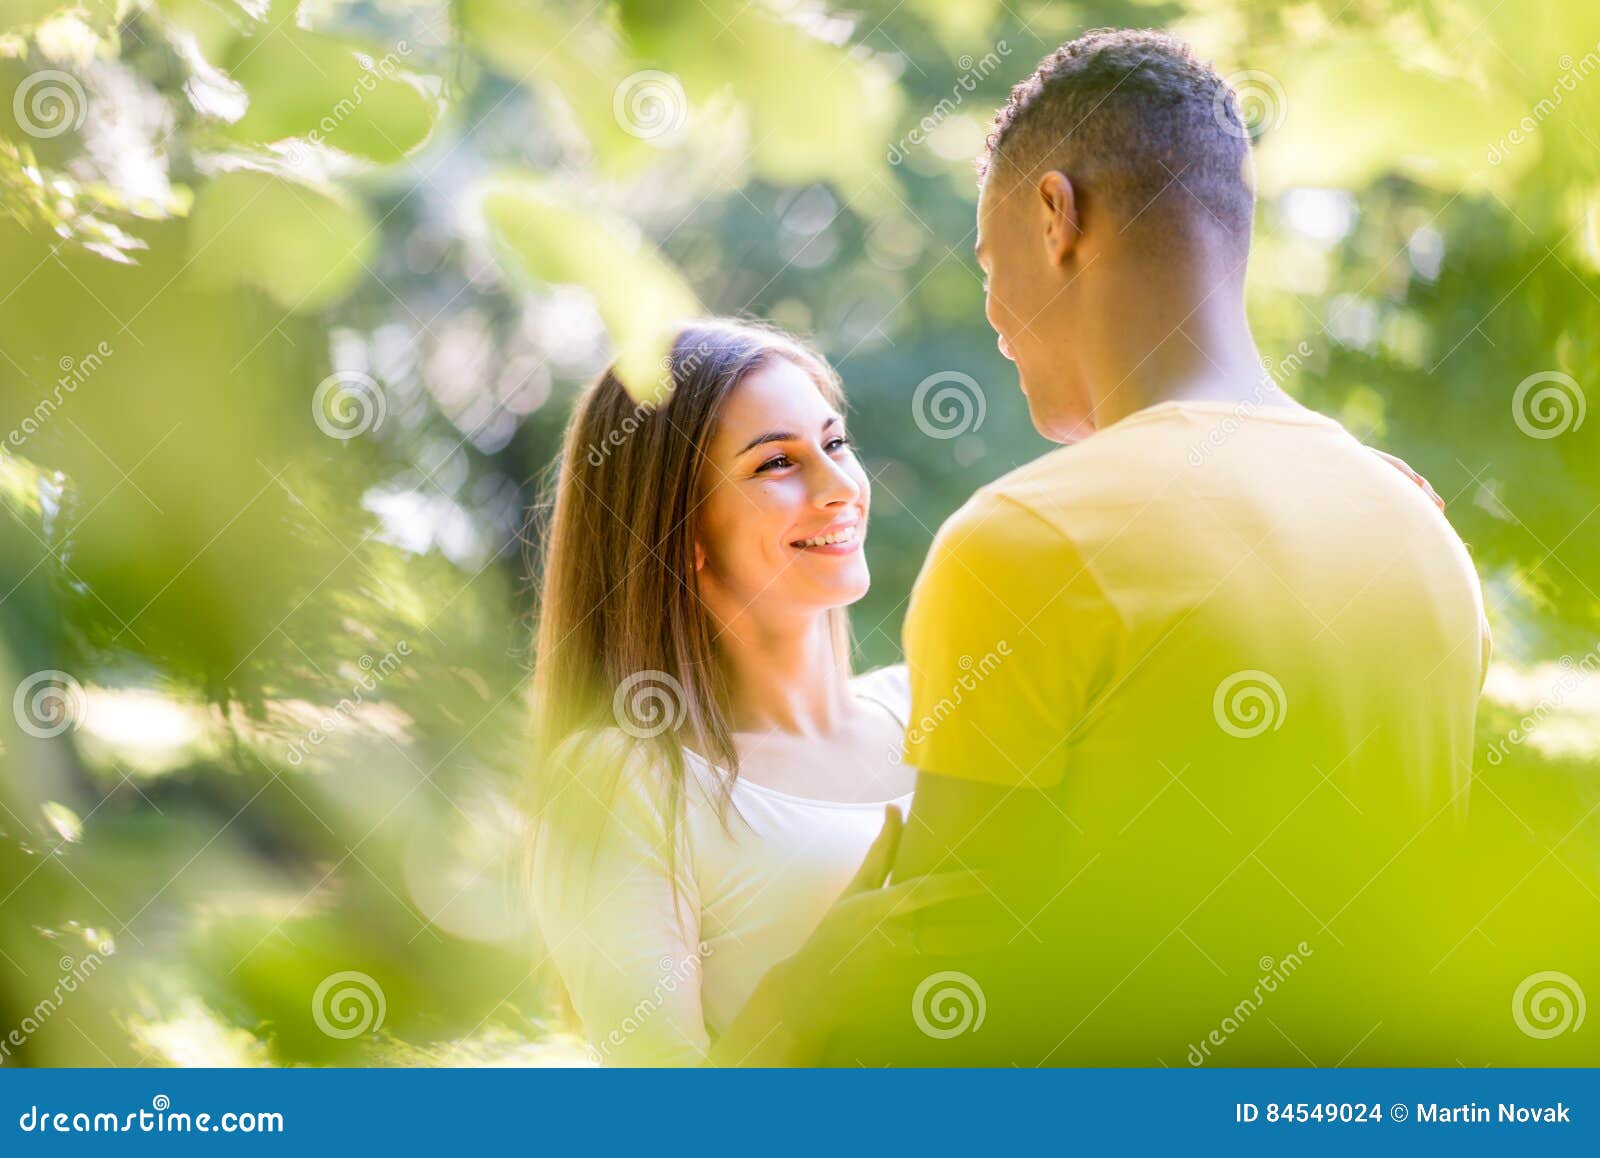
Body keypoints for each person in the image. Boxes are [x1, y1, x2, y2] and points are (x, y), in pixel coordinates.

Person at [821, 29, 1495, 1065]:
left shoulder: (1024, 543)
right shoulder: (1421, 534)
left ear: (1056, 215)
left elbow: (924, 1012)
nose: (994, 310)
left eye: (986, 256)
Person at [525, 318, 980, 1066]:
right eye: (777, 463)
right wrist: (814, 988)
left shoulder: (938, 701)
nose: (841, 489)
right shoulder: (625, 781)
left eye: (835, 444)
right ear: (678, 530)